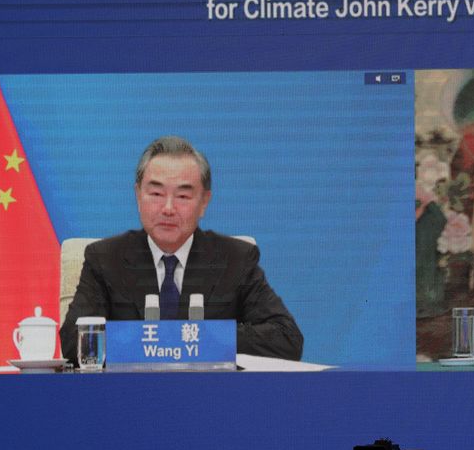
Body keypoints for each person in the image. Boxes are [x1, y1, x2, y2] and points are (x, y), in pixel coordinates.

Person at [58, 136, 303, 361]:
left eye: (183, 197)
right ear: (138, 195)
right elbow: (74, 342)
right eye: (156, 193)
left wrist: (198, 338)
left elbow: (286, 339)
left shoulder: (236, 259)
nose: (168, 208)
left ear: (204, 202)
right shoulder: (105, 259)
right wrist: (164, 340)